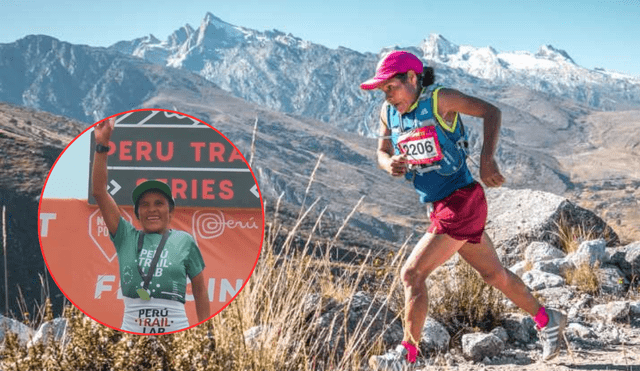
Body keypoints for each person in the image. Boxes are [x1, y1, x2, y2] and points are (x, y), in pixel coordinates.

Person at [361, 51, 567, 369]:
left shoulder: (440, 100)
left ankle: (408, 357)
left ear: (412, 79)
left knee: (412, 274)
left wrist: (487, 160)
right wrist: (391, 165)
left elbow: (491, 112)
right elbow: (382, 151)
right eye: (383, 90)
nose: (387, 95)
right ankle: (547, 318)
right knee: (493, 274)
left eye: (391, 87)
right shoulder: (389, 112)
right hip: (439, 205)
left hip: (462, 201)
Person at [91, 117, 210, 334]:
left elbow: (200, 291)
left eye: (159, 204)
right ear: (137, 214)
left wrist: (207, 335)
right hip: (131, 337)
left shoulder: (184, 241)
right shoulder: (125, 235)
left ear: (171, 211)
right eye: (144, 205)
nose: (152, 209)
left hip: (177, 336)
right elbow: (99, 191)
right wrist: (102, 145)